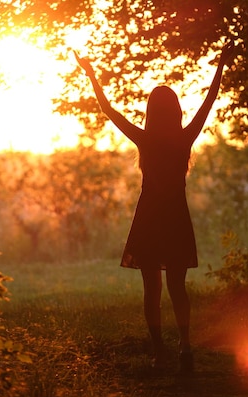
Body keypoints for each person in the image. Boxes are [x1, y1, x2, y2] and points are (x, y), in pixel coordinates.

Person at [75, 42, 235, 372]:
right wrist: (220, 65)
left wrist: (91, 74)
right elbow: (209, 101)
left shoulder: (145, 140)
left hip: (149, 219)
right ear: (176, 112)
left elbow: (109, 111)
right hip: (176, 219)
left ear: (150, 112)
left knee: (152, 289)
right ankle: (186, 347)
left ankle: (159, 351)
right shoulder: (184, 138)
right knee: (178, 287)